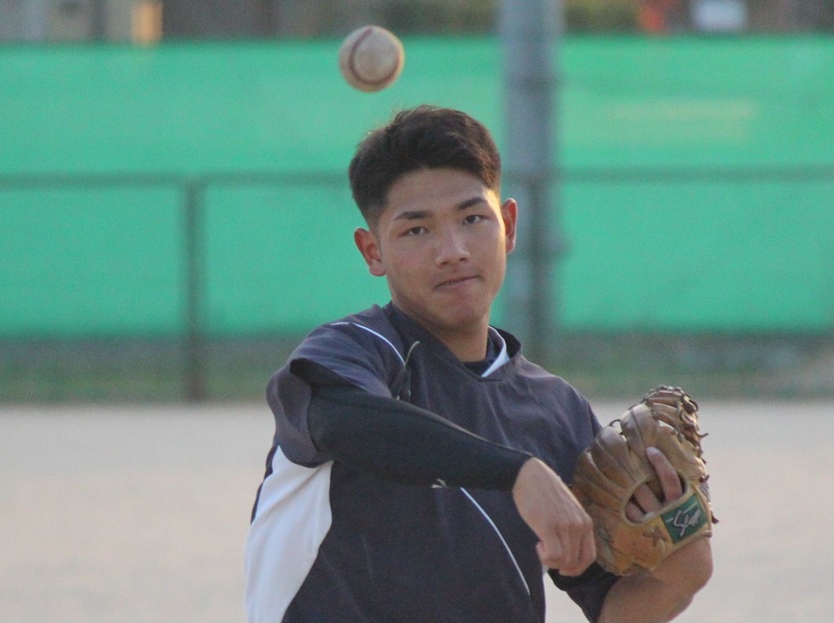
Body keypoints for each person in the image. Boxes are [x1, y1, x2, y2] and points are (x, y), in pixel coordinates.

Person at [244, 105, 712, 623]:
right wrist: (517, 473)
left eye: (472, 219)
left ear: (508, 225)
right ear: (372, 251)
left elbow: (608, 604)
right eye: (416, 231)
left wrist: (682, 575)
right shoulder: (356, 353)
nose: (452, 251)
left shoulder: (553, 410)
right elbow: (339, 420)